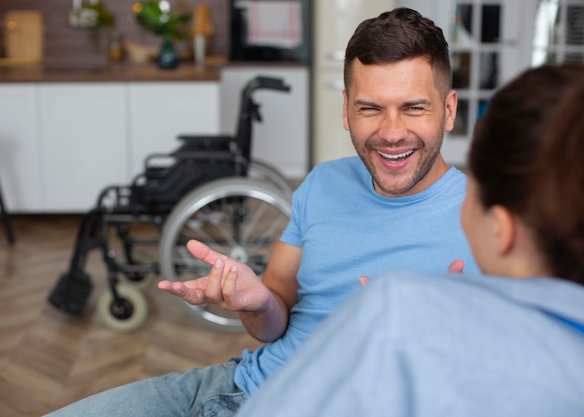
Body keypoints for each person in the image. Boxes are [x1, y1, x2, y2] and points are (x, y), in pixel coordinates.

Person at [44, 8, 480, 417]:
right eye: (370, 108)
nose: (391, 133)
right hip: (240, 391)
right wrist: (254, 302)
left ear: (448, 110)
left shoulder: (491, 222)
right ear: (346, 110)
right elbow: (271, 322)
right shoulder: (322, 184)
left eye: (413, 108)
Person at [234, 63, 584, 417]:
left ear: (502, 230)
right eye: (370, 108)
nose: (392, 132)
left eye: (472, 189)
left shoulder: (399, 310)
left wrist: (394, 327)